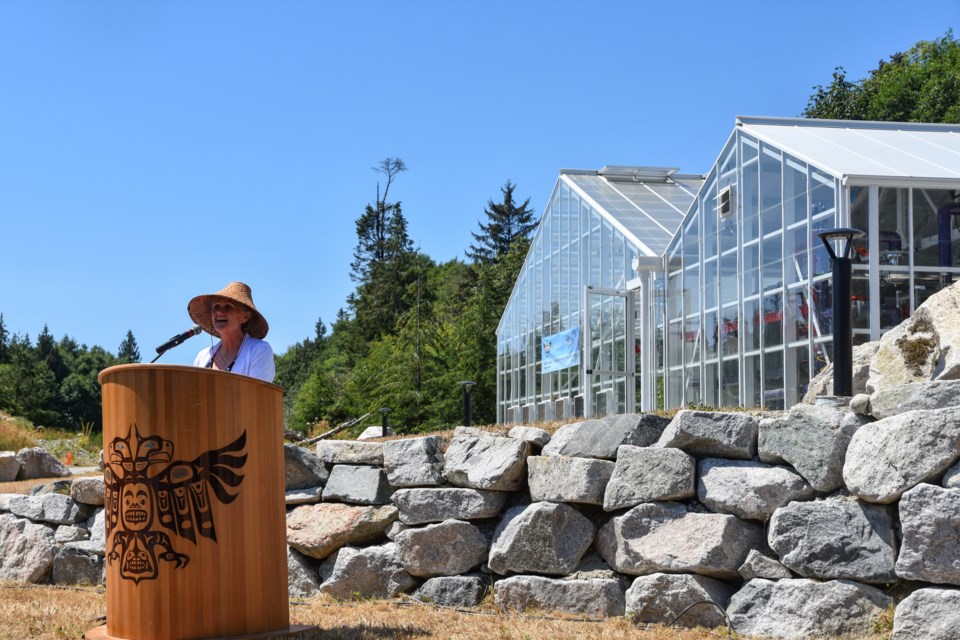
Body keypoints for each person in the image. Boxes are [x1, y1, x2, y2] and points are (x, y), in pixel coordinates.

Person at [188, 281, 275, 383]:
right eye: (216, 307)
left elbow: (255, 394)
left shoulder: (258, 350)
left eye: (228, 307)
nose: (219, 312)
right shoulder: (203, 356)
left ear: (245, 317)